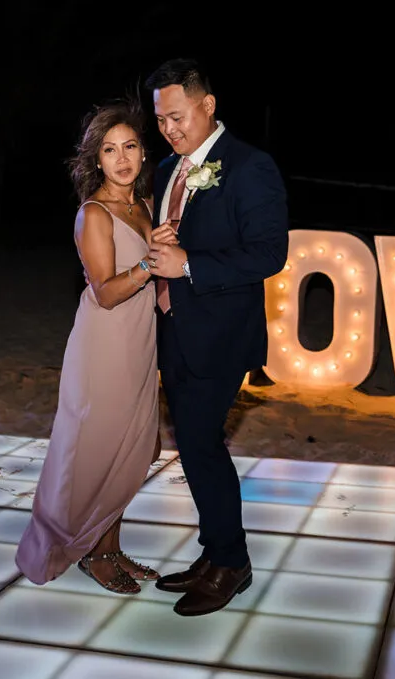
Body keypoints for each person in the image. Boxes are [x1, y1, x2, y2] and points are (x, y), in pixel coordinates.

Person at [144, 59, 289, 616]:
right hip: (174, 330)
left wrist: (189, 266)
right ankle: (213, 554)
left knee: (202, 445)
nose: (170, 130)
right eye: (161, 121)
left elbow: (269, 253)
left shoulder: (251, 167)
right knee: (194, 446)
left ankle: (232, 562)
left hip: (221, 337)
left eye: (177, 117)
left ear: (208, 105)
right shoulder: (165, 172)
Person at [15, 100, 175, 594]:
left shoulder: (145, 206)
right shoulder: (94, 213)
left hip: (139, 340)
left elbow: (159, 282)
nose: (122, 158)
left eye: (129, 147)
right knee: (97, 449)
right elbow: (105, 291)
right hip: (104, 343)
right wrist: (151, 261)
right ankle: (90, 552)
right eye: (109, 150)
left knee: (131, 449)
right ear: (96, 160)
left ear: (144, 153)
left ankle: (108, 545)